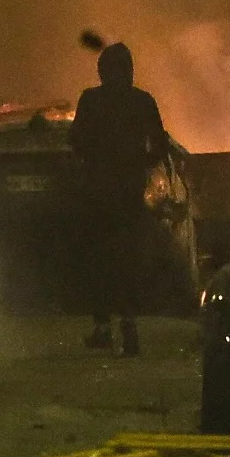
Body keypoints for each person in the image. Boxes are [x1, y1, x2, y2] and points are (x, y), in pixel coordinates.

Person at [71, 41, 170, 355]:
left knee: (98, 259)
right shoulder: (142, 102)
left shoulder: (90, 100)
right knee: (128, 259)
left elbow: (76, 141)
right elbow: (159, 144)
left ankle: (103, 327)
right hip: (129, 192)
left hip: (98, 192)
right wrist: (140, 162)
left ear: (102, 71)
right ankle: (128, 323)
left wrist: (94, 161)